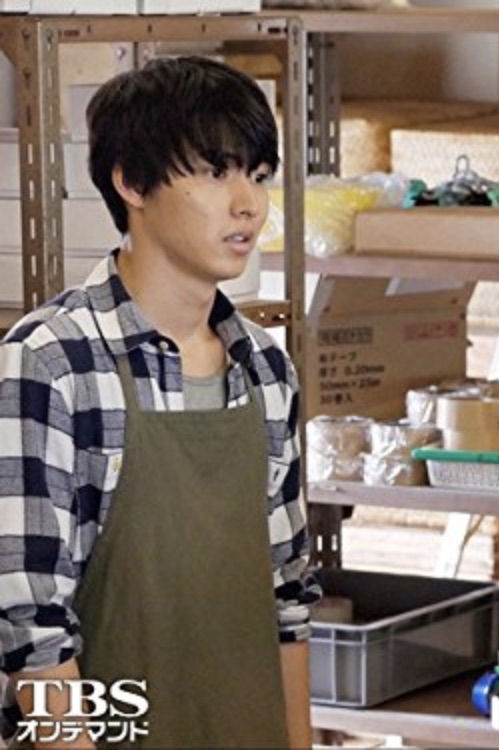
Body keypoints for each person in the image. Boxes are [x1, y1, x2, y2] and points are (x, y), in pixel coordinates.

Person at [0, 56, 318, 748]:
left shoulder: (265, 367)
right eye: (215, 173)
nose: (248, 203)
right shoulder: (52, 364)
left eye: (259, 175)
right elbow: (30, 632)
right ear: (131, 182)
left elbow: (287, 599)